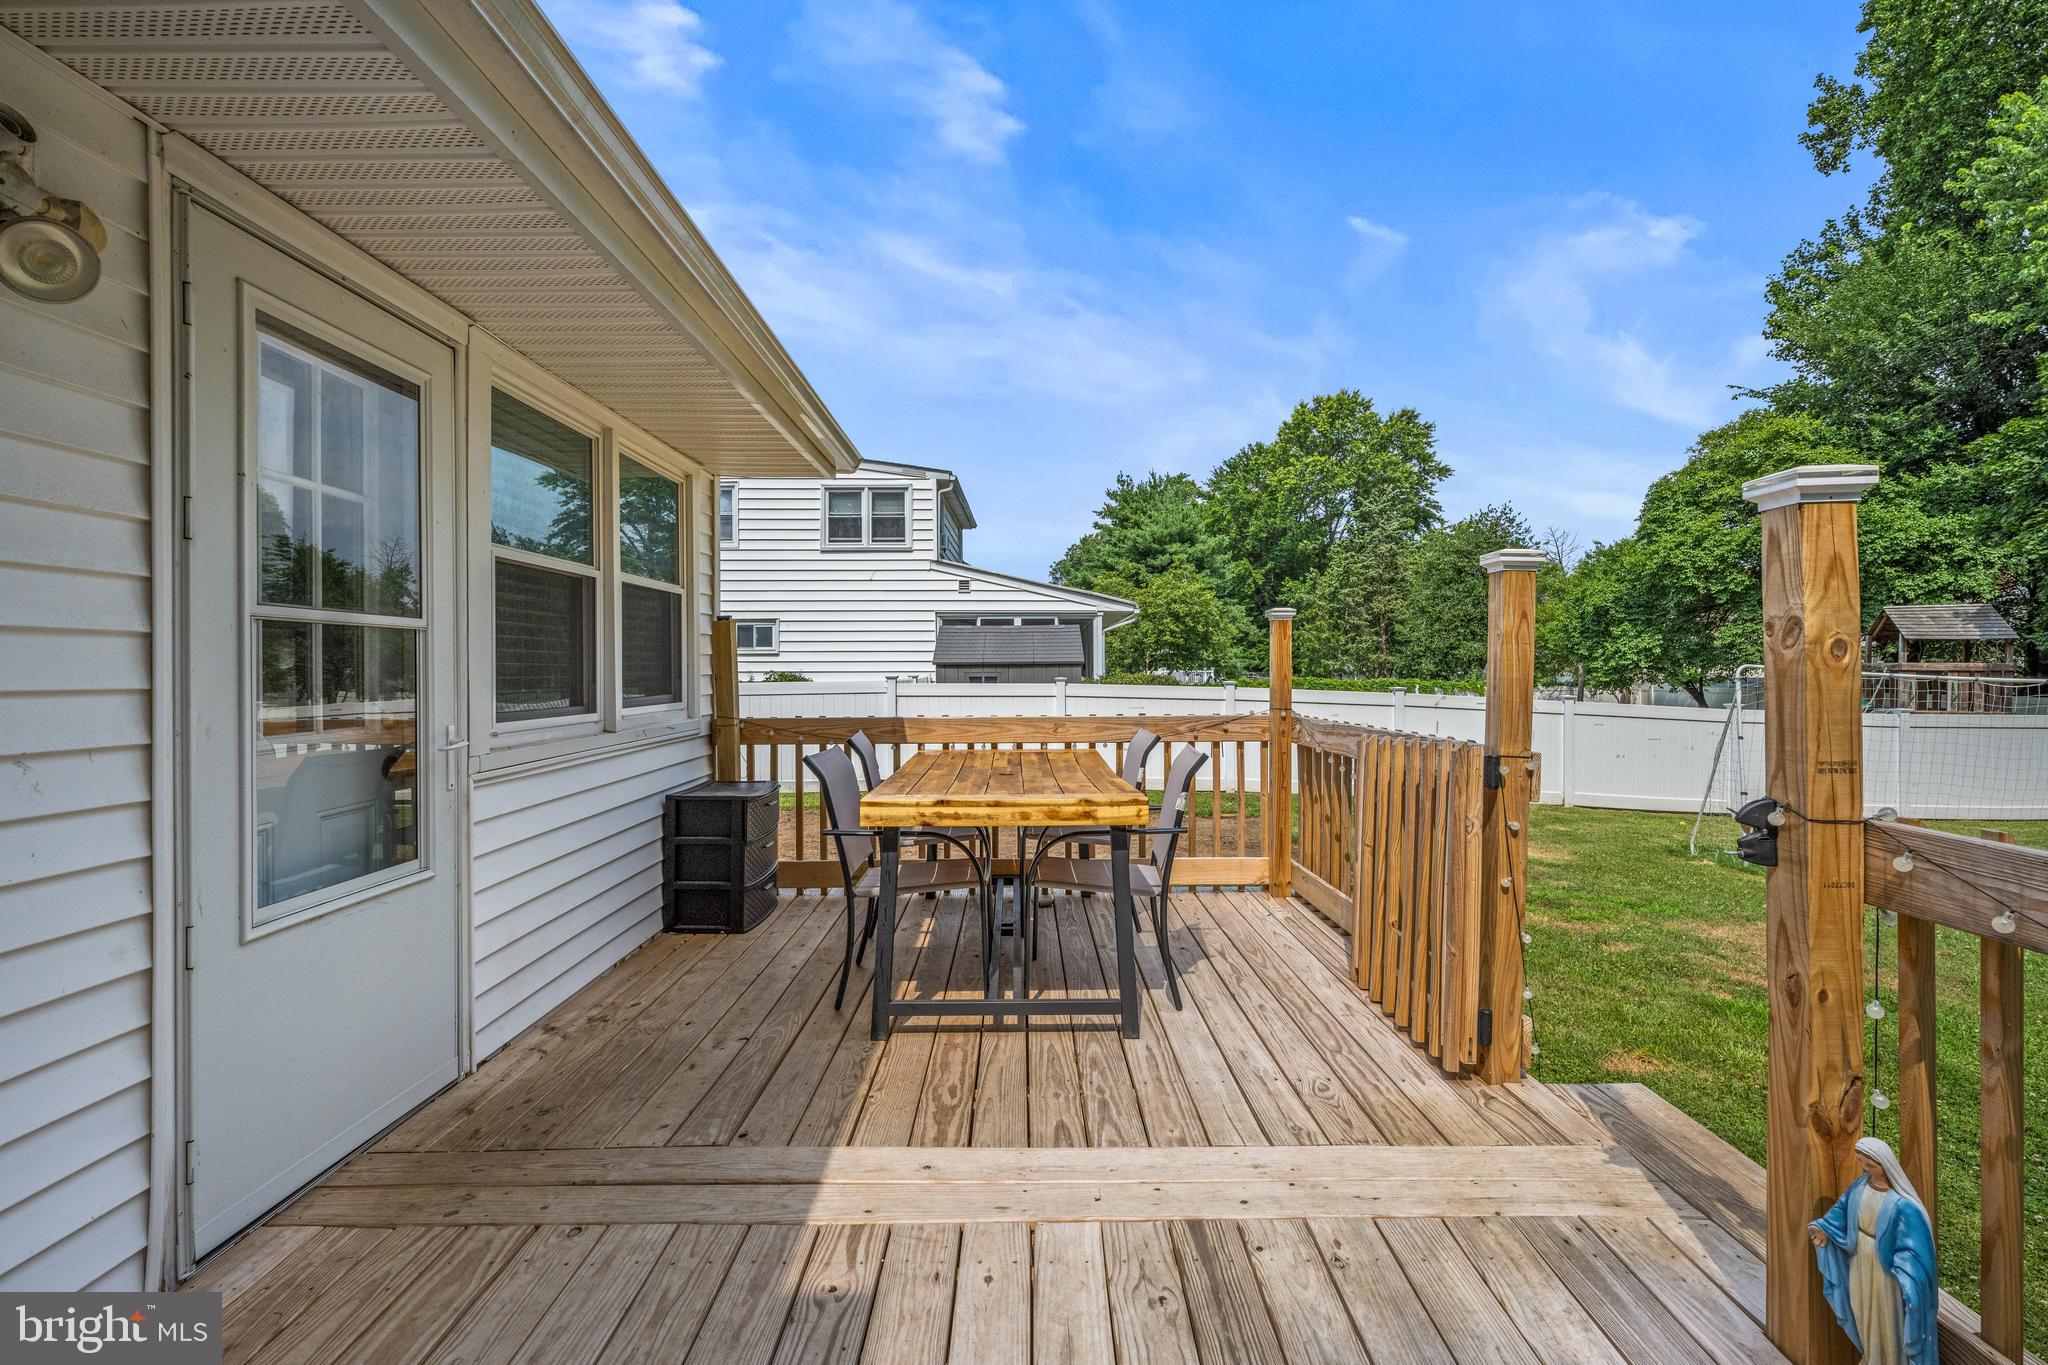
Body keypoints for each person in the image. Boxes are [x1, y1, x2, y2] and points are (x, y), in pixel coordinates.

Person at [1808, 1136, 1939, 1365]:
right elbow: (1842, 1209)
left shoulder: (1902, 1204)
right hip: (1859, 1261)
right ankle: (1871, 1357)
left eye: (1871, 1165)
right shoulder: (1859, 1187)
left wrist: (1905, 1273)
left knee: (1888, 1319)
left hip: (1885, 1272)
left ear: (1885, 1163)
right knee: (1863, 1314)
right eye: (1862, 1164)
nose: (1866, 1169)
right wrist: (1825, 1229)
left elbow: (1916, 1250)